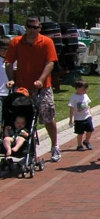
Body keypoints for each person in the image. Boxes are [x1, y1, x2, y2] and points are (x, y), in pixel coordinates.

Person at [4, 17, 61, 161]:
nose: (32, 30)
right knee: (22, 118)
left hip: (42, 88)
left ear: (39, 28)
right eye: (30, 27)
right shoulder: (16, 42)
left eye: (35, 27)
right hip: (23, 88)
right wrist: (11, 79)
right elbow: (9, 62)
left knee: (47, 118)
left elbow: (50, 63)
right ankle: (26, 148)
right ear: (25, 27)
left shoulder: (46, 42)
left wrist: (41, 80)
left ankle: (54, 146)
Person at [68, 80, 94, 151]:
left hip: (87, 116)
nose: (85, 91)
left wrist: (90, 113)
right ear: (78, 88)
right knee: (80, 132)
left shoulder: (85, 95)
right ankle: (79, 145)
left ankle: (87, 141)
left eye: (86, 89)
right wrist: (71, 119)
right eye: (83, 89)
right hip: (79, 119)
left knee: (90, 129)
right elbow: (71, 109)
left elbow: (88, 105)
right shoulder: (74, 98)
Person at [0, 37, 10, 117]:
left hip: (10, 93)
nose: (4, 51)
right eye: (2, 49)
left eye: (7, 49)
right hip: (0, 93)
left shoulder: (13, 61)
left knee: (8, 118)